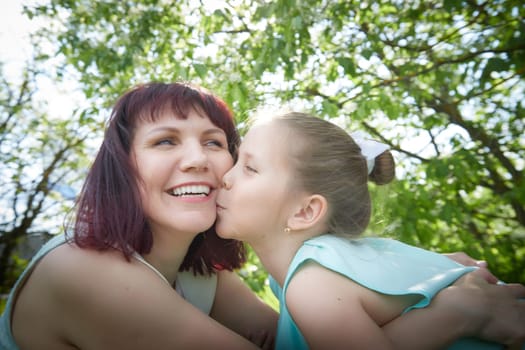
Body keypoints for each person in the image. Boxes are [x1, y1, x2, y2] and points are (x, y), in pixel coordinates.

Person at [0, 83, 520, 350]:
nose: (200, 159)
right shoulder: (86, 272)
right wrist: (459, 313)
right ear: (123, 169)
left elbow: (313, 339)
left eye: (216, 142)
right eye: (164, 141)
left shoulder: (203, 279)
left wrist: (417, 284)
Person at [215, 111, 525, 349]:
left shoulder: (311, 283)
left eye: (249, 168)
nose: (225, 177)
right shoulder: (322, 270)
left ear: (305, 211)